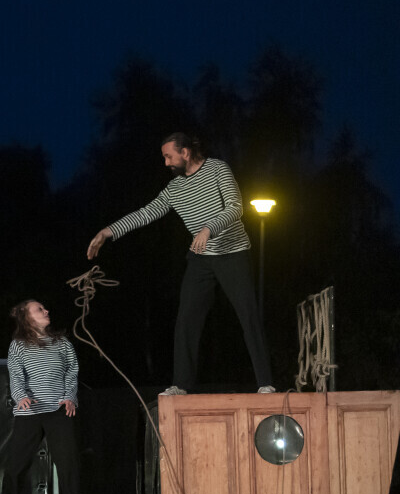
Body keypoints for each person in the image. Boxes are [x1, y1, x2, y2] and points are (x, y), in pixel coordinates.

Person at [86, 132, 274, 396]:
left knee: (248, 315)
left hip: (233, 253)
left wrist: (208, 229)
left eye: (169, 156)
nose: (166, 163)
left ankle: (266, 382)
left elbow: (235, 207)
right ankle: (181, 385)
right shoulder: (174, 189)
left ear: (185, 152)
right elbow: (147, 212)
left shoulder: (217, 168)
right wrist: (108, 232)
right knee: (186, 319)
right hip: (200, 259)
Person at [0, 300, 82, 494]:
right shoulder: (18, 345)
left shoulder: (62, 343)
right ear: (27, 317)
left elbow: (72, 371)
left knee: (68, 466)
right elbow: (15, 374)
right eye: (40, 309)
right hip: (30, 411)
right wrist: (20, 396)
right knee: (15, 466)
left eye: (45, 308)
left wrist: (70, 397)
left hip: (58, 410)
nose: (46, 310)